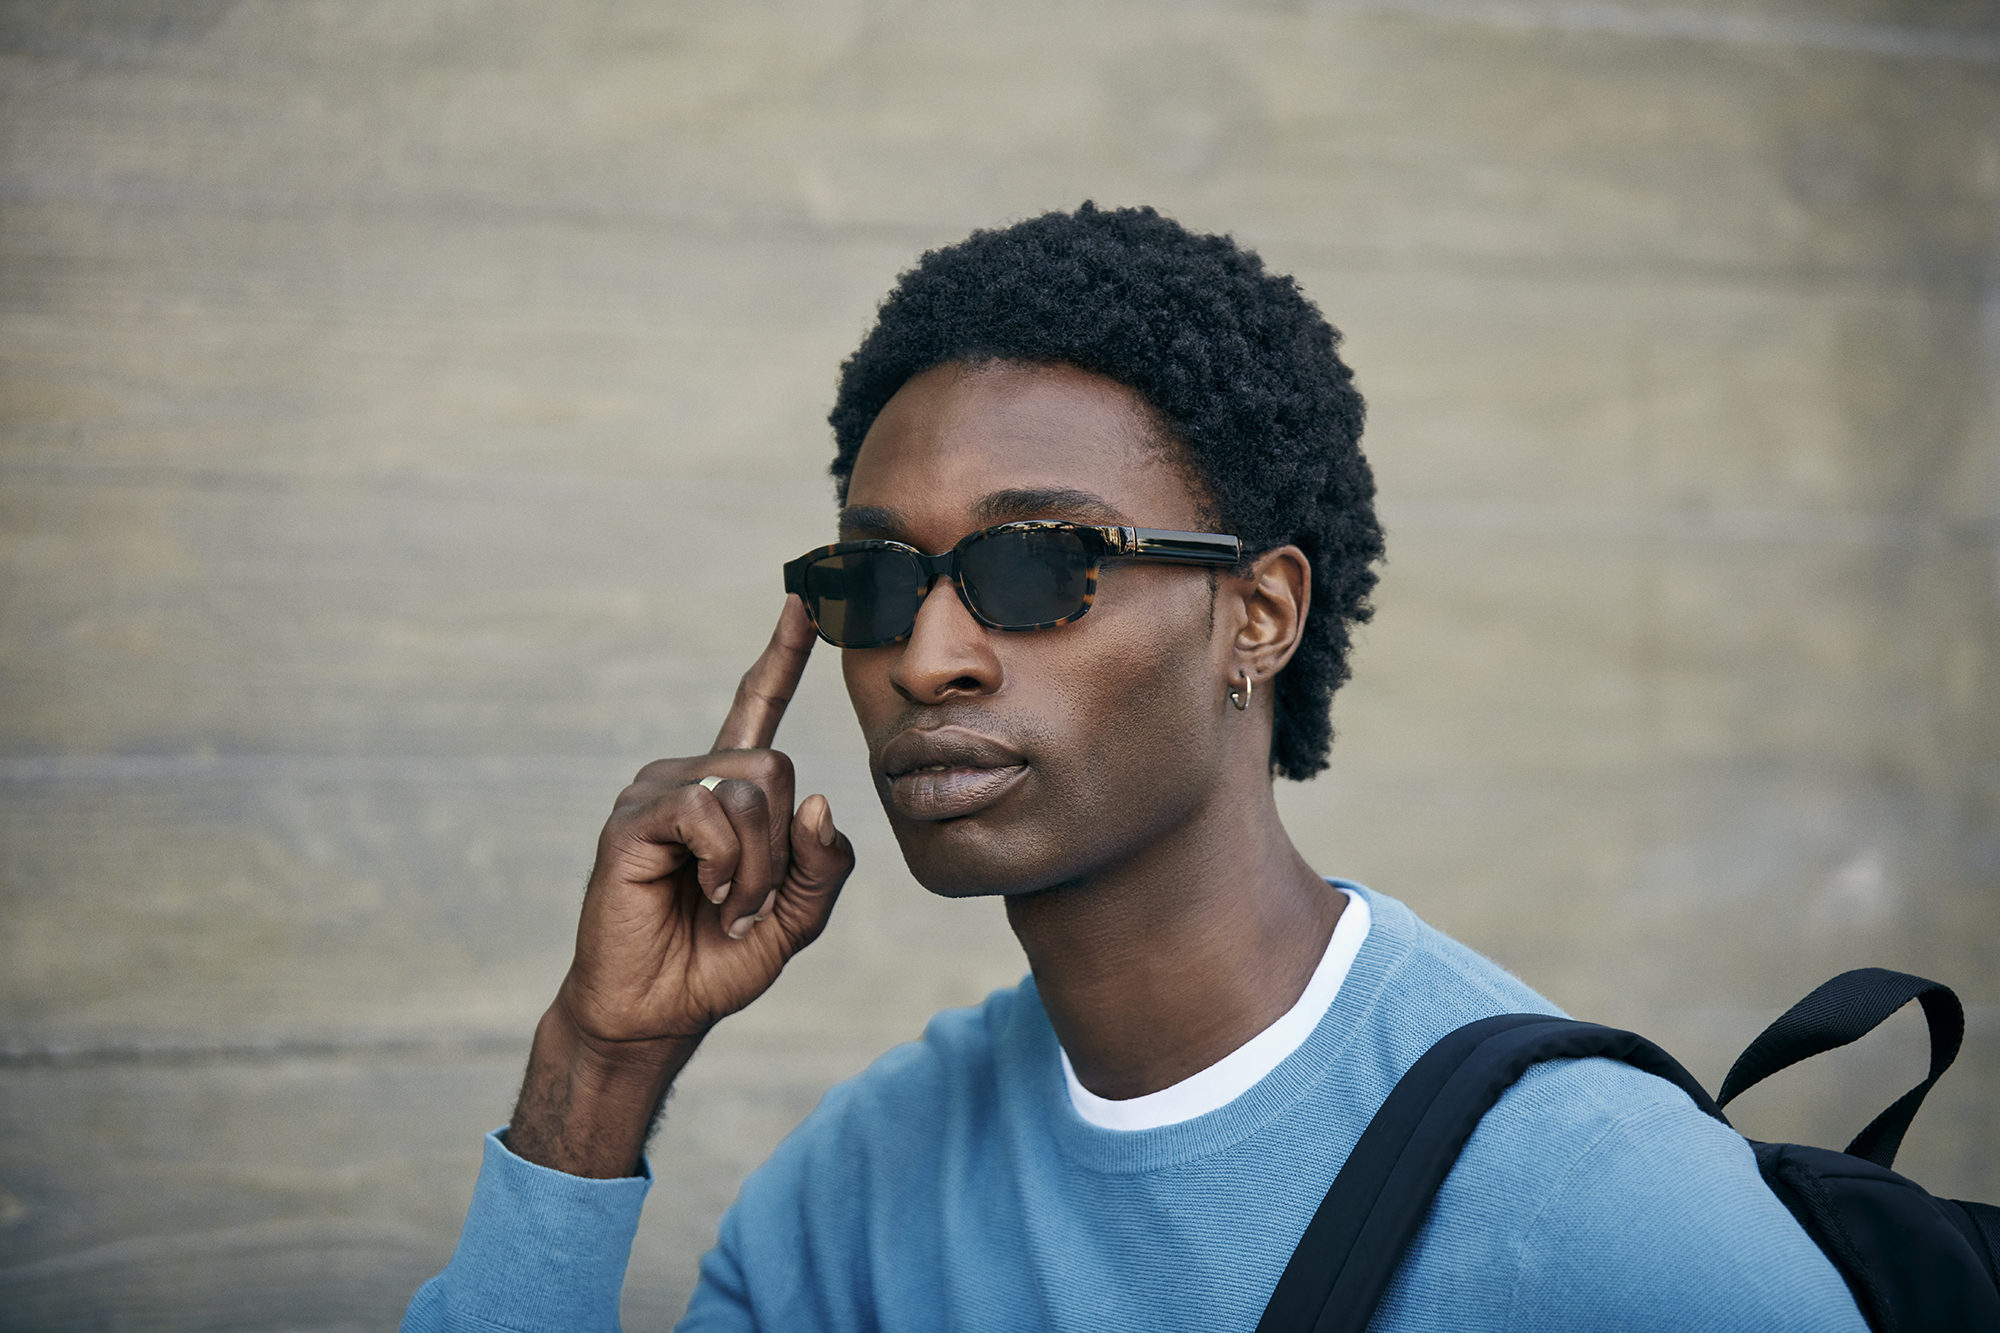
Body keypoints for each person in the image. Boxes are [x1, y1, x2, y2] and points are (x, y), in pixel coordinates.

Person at [403, 205, 1864, 1331]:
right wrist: (597, 1070)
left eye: (1039, 564)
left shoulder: (1588, 1195)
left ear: (1262, 616)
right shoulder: (855, 1198)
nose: (928, 658)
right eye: (877, 579)